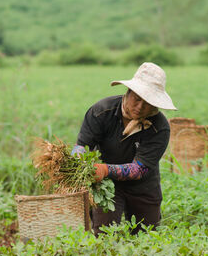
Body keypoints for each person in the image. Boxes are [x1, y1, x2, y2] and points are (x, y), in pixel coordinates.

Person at [71, 62, 177, 234]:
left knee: (147, 236)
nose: (141, 107)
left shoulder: (160, 127)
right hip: (106, 185)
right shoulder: (101, 112)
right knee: (104, 235)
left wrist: (105, 169)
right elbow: (82, 146)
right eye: (137, 99)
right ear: (128, 92)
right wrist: (77, 163)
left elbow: (139, 169)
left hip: (144, 186)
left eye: (148, 102)